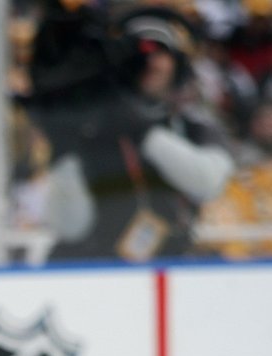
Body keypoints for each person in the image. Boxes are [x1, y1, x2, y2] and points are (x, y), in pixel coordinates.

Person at [31, 4, 235, 261]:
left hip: (169, 263)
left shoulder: (193, 125)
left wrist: (141, 130)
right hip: (99, 266)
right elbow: (69, 228)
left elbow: (210, 183)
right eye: (137, 52)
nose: (149, 62)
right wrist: (64, 151)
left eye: (160, 52)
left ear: (179, 65)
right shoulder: (91, 131)